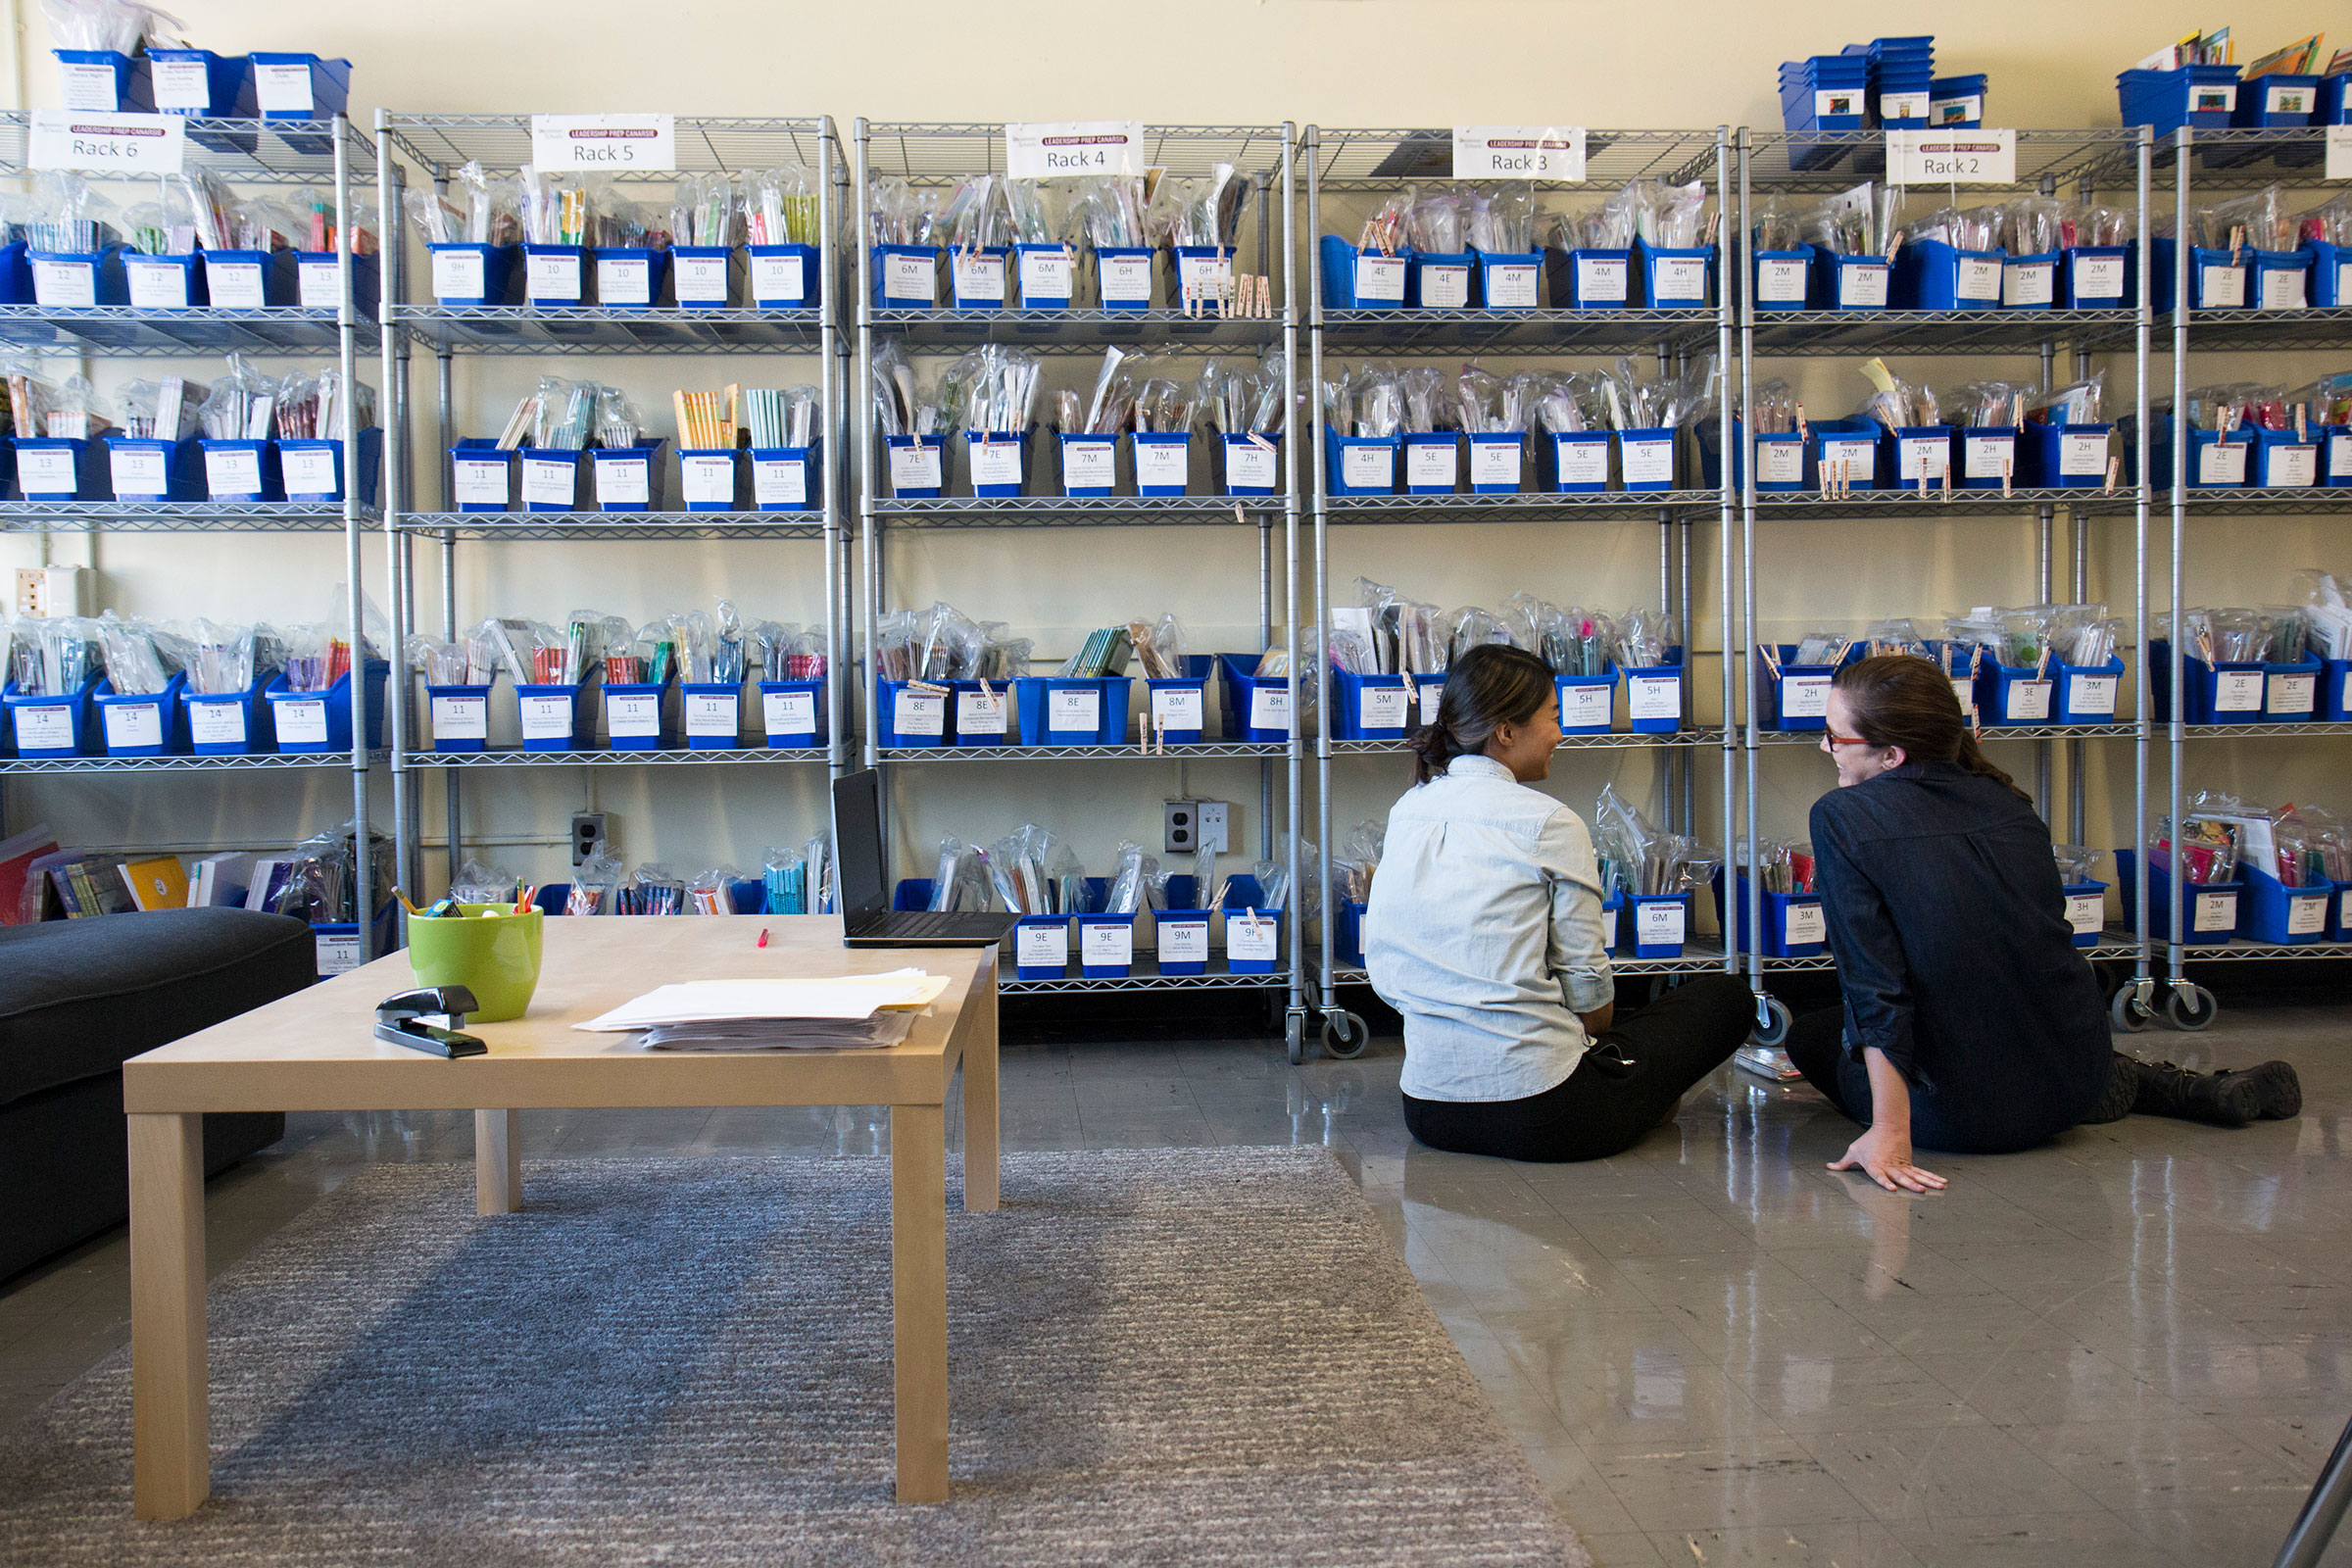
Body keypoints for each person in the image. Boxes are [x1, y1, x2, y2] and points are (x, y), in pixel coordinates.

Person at [1788, 654, 2302, 1194]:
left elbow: (1874, 983)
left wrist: (1891, 1130)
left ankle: (2143, 1085)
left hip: (1958, 1120)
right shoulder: (2008, 800)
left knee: (1814, 1035)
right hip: (2074, 1078)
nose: (1824, 747)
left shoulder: (1841, 816)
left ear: (1891, 754)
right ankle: (2175, 1087)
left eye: (1833, 737)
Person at [1363, 643, 1756, 1162]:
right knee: (1727, 998)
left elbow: (1387, 965)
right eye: (1552, 716)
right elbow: (1588, 990)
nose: (1560, 732)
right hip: (1548, 1115)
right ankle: (1637, 1099)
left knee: (1629, 1038)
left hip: (1430, 1110)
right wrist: (1588, 1036)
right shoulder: (1550, 822)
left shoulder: (1408, 809)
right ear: (1506, 731)